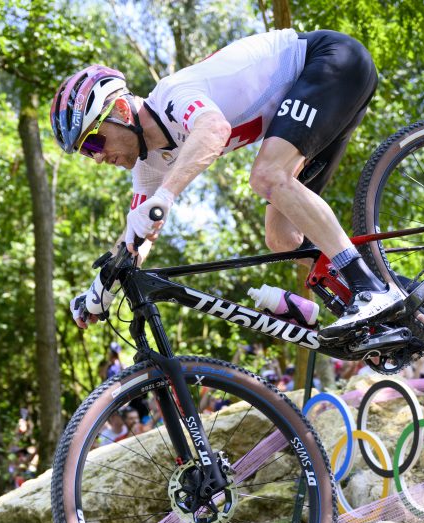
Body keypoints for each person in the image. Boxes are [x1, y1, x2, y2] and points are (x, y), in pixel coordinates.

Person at [54, 29, 398, 341]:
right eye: (87, 153)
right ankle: (393, 296)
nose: (97, 158)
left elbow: (213, 130)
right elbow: (138, 237)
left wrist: (165, 196)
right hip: (316, 94)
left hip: (329, 62)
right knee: (283, 238)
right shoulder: (148, 166)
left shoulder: (172, 97)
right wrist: (100, 290)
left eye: (94, 143)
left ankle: (368, 289)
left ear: (120, 112)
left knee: (266, 176)